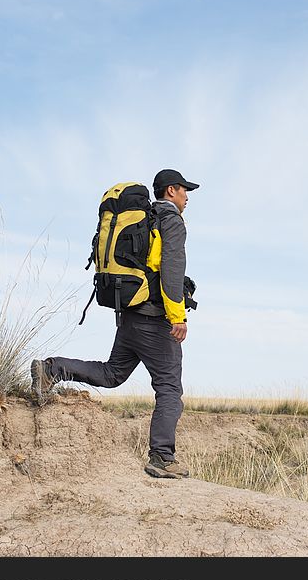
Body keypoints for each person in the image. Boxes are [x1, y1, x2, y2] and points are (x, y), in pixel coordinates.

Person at [31, 168, 198, 479]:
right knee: (169, 388)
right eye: (185, 191)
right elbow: (172, 272)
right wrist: (178, 317)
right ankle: (162, 457)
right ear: (172, 190)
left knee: (113, 373)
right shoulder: (170, 220)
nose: (187, 198)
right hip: (153, 318)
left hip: (129, 314)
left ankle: (52, 368)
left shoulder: (145, 219)